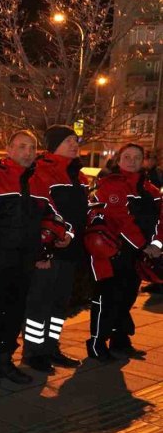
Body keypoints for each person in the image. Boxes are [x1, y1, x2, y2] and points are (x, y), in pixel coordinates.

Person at [0, 130, 67, 386]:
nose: (28, 152)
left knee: (15, 314)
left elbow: (53, 214)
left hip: (24, 263)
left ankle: (5, 361)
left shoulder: (37, 181)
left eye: (32, 147)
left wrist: (63, 234)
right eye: (22, 146)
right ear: (9, 149)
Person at [21, 126, 87, 373]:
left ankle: (51, 347)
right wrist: (42, 252)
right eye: (68, 140)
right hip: (48, 253)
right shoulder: (42, 172)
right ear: (54, 145)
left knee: (59, 305)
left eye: (75, 140)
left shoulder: (79, 176)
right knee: (39, 303)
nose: (74, 144)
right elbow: (40, 213)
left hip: (70, 250)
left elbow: (80, 215)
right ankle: (33, 352)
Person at [87, 143, 162, 360]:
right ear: (118, 160)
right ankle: (97, 343)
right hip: (113, 254)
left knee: (127, 297)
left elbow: (161, 220)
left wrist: (157, 245)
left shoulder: (151, 190)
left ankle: (120, 341)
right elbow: (120, 220)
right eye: (127, 156)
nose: (131, 161)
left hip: (139, 256)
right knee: (107, 299)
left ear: (143, 161)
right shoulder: (110, 185)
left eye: (137, 157)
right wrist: (144, 245)